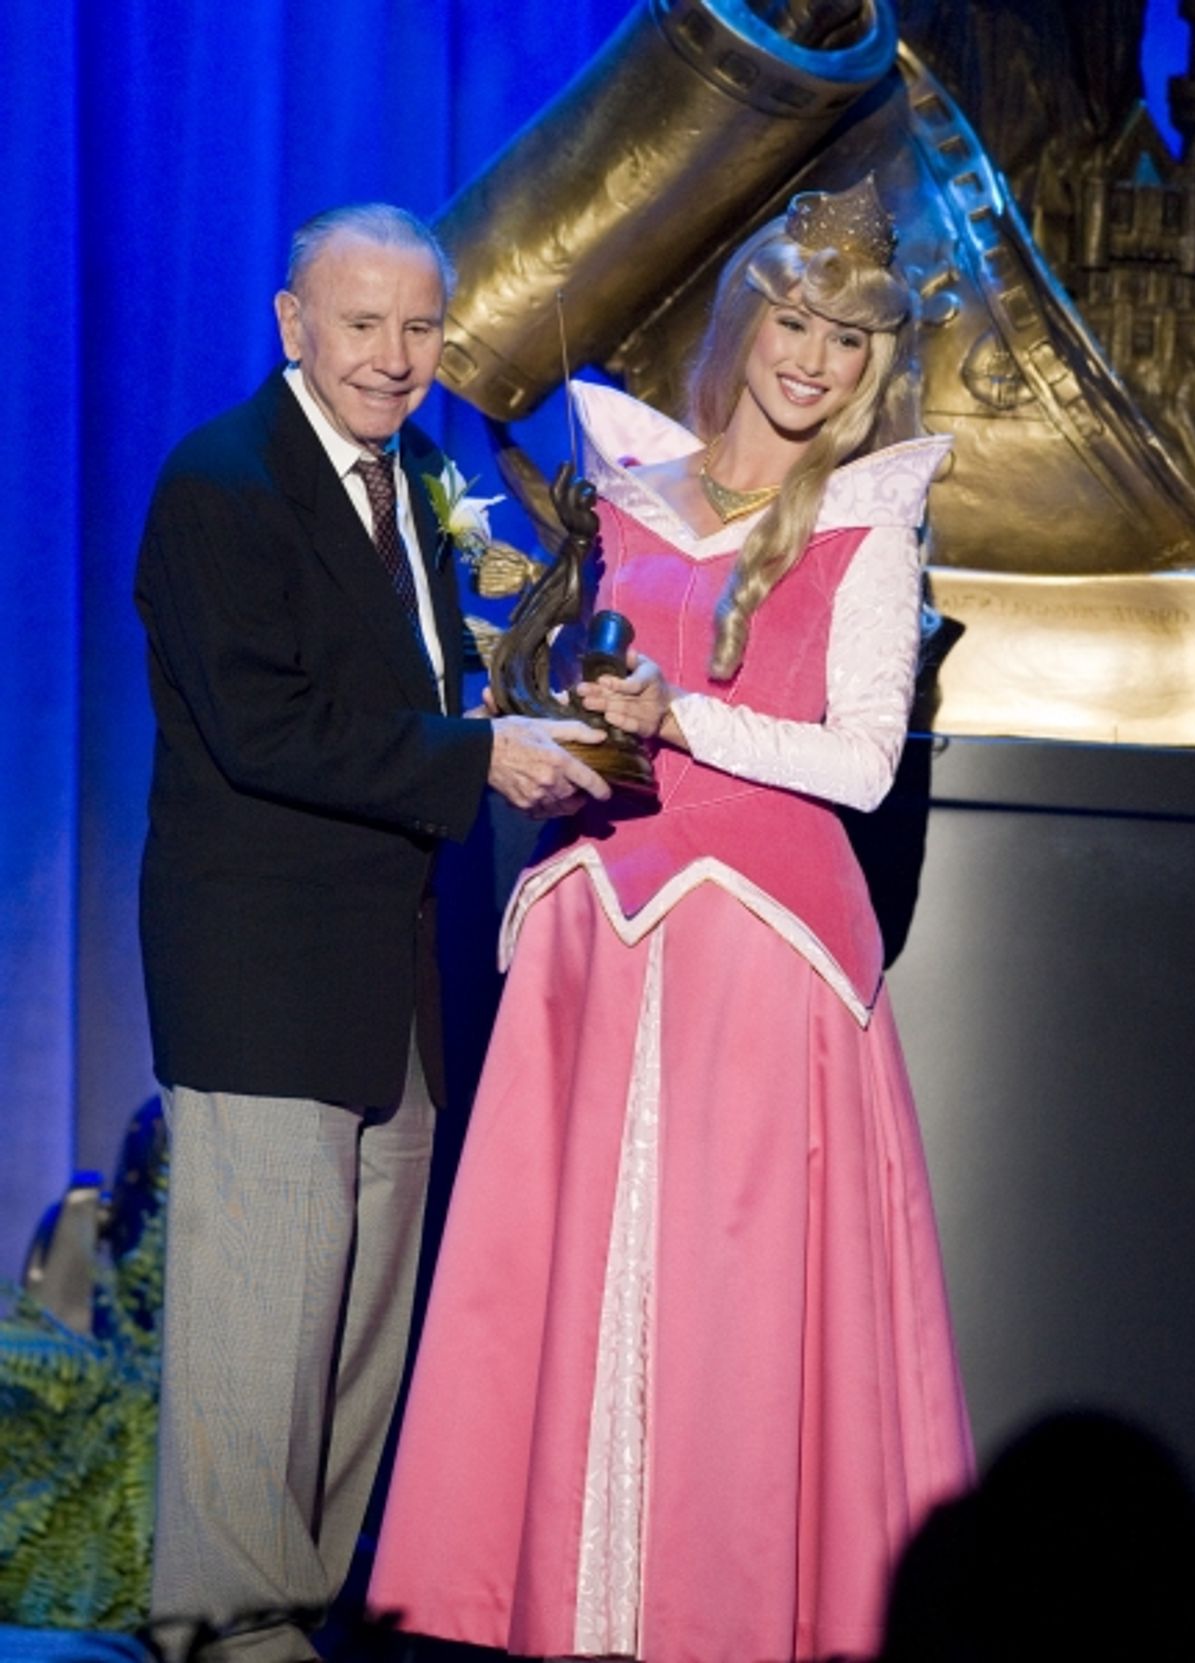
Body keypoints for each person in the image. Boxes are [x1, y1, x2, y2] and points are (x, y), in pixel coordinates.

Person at [366, 176, 975, 1663]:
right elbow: (612, 716)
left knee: (736, 1294)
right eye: (797, 320)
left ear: (873, 365)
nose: (815, 358)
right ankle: (570, 1610)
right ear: (749, 320)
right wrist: (570, 745)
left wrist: (680, 715)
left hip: (760, 951)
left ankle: (723, 1612)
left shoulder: (869, 525)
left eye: (849, 339)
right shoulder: (632, 486)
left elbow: (860, 761)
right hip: (605, 935)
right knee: (563, 1290)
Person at [135, 201, 609, 1663]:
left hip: (391, 993)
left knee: (350, 1356)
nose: (394, 358)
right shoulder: (222, 483)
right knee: (252, 1354)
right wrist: (479, 760)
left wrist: (527, 716)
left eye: (418, 328)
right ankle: (224, 1634)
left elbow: (414, 688)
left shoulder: (414, 475)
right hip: (264, 983)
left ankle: (294, 1625)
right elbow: (266, 724)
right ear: (293, 325)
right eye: (362, 324)